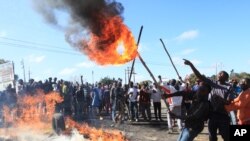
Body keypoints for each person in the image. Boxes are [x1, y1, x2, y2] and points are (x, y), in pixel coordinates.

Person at [184, 59, 235, 141]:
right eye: (219, 73)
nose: (219, 74)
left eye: (221, 73)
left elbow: (229, 102)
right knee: (212, 137)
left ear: (226, 77)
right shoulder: (212, 83)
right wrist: (191, 65)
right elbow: (200, 76)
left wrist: (220, 99)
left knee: (226, 136)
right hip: (212, 115)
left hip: (223, 116)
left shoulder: (229, 87)